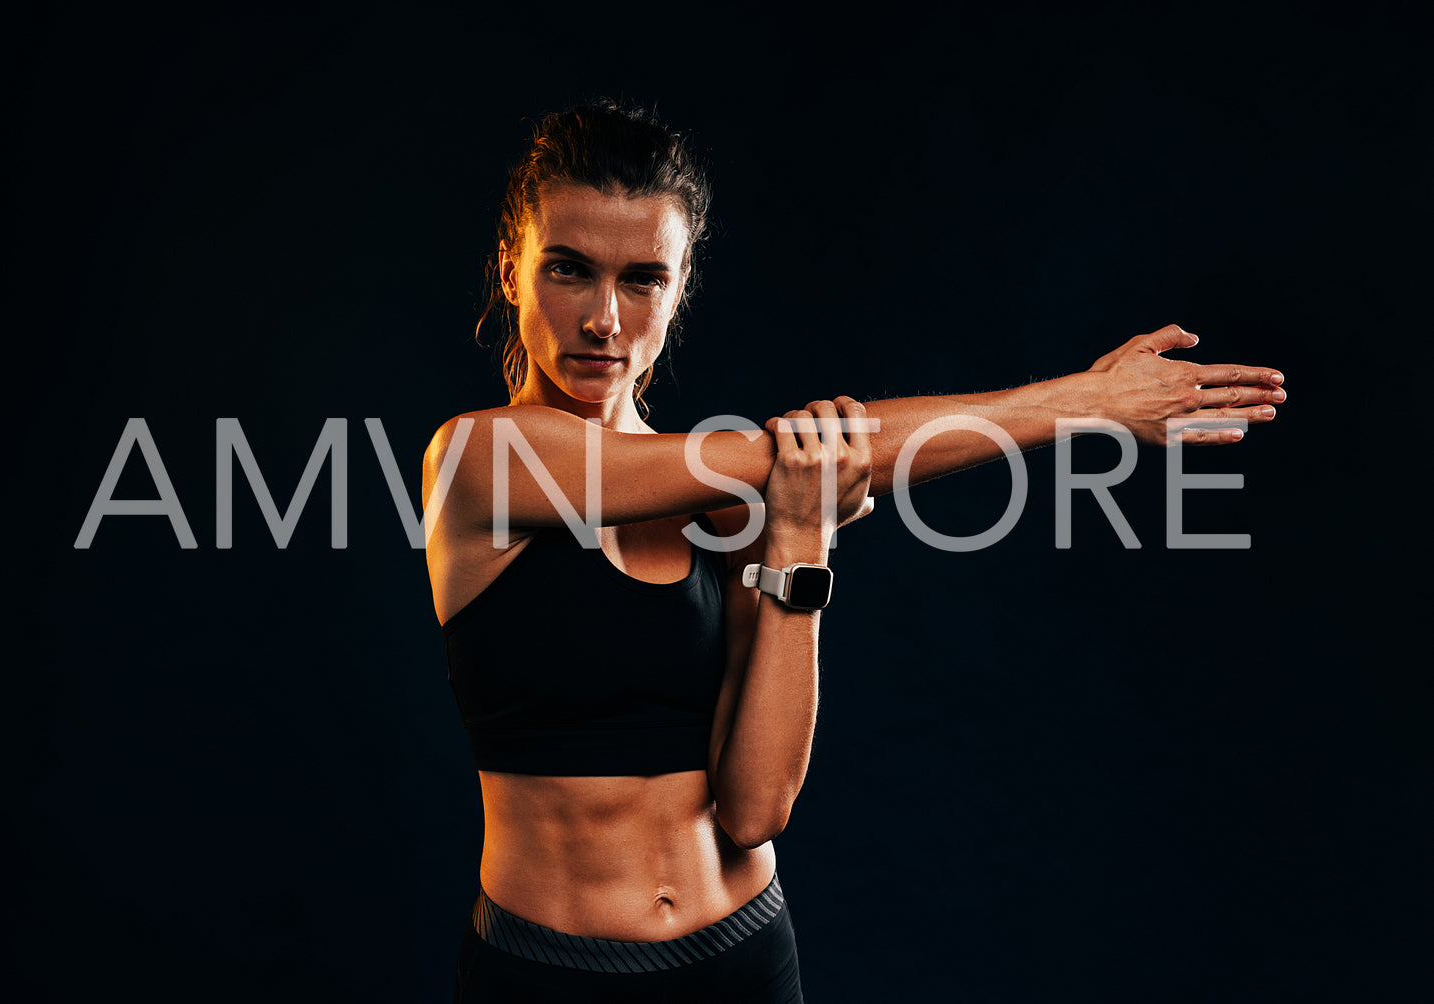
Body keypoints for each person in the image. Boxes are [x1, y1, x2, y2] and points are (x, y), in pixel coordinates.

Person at [422, 101, 1284, 1003]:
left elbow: (756, 809)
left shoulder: (728, 509)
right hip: (550, 975)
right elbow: (824, 452)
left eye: (642, 280)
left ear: (677, 292)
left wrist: (797, 536)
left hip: (744, 959)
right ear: (511, 270)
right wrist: (1091, 401)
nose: (604, 318)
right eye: (568, 269)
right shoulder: (481, 460)